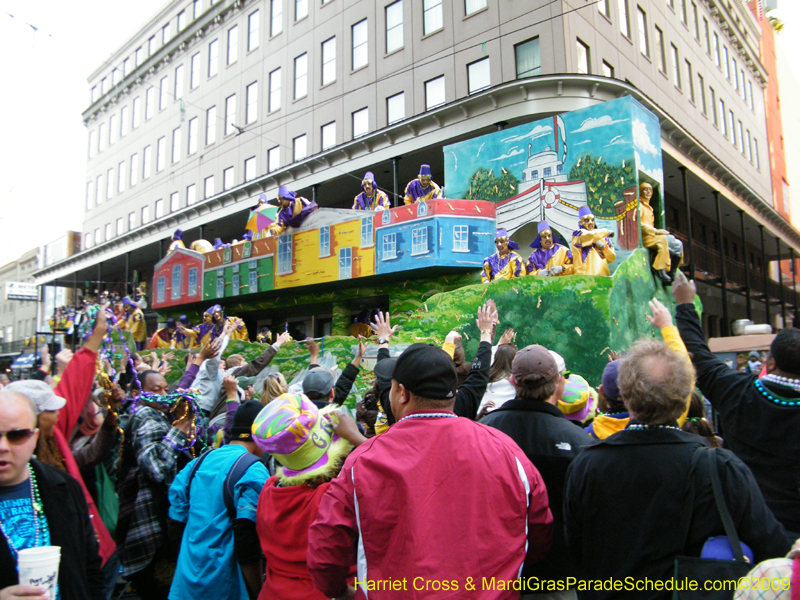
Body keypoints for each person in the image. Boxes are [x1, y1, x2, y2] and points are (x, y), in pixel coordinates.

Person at [307, 342, 553, 599]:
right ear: (453, 393)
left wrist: (341, 592)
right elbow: (538, 533)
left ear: (402, 393)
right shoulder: (506, 451)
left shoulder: (363, 462)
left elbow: (325, 550)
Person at [564, 338, 795, 599]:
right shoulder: (722, 468)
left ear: (625, 396)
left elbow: (575, 549)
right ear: (686, 396)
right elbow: (775, 550)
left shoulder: (586, 465)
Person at [674, 273, 800, 534]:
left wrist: (685, 304)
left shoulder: (737, 391)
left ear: (771, 362)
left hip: (742, 524)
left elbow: (699, 355)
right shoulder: (738, 389)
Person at [481, 345, 594, 600]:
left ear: (512, 381)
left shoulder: (483, 432)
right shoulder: (580, 443)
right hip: (558, 579)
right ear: (559, 384)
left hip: (495, 577)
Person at [252, 394, 364, 599]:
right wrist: (359, 439)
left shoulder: (269, 491)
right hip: (332, 593)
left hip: (273, 592)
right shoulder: (334, 495)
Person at [0, 391, 104, 600]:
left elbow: (89, 567)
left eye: (16, 435)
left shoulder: (63, 486)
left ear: (34, 437)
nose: (3, 447)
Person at [168, 401, 268, 600]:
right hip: (226, 587)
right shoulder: (254, 471)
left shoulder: (196, 464)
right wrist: (258, 590)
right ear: (262, 435)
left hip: (185, 585)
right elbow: (247, 541)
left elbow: (176, 520)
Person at [116, 371, 197, 600]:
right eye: (155, 390)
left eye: (164, 389)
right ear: (137, 393)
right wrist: (179, 431)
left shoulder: (155, 414)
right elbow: (155, 467)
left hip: (155, 524)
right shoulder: (146, 416)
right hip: (149, 527)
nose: (163, 395)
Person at [638, 182, 682, 285]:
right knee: (663, 240)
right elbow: (639, 224)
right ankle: (659, 269)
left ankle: (672, 271)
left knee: (678, 244)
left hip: (652, 236)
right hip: (645, 237)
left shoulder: (650, 208)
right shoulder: (639, 206)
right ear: (640, 192)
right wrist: (656, 231)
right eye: (645, 189)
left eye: (650, 190)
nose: (648, 192)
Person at [570, 206, 616, 276]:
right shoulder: (577, 235)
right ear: (581, 222)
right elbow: (590, 236)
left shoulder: (603, 237)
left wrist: (604, 247)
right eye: (586, 220)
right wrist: (606, 232)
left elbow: (612, 258)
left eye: (592, 220)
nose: (590, 222)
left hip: (603, 277)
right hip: (585, 279)